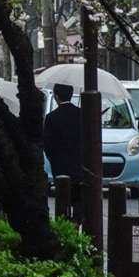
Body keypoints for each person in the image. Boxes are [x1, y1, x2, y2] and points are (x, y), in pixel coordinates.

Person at [43, 82, 83, 225]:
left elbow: (47, 143)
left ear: (56, 97)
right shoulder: (82, 114)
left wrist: (52, 158)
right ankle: (77, 220)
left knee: (62, 196)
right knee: (78, 195)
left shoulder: (51, 117)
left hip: (59, 164)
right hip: (79, 163)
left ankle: (64, 224)